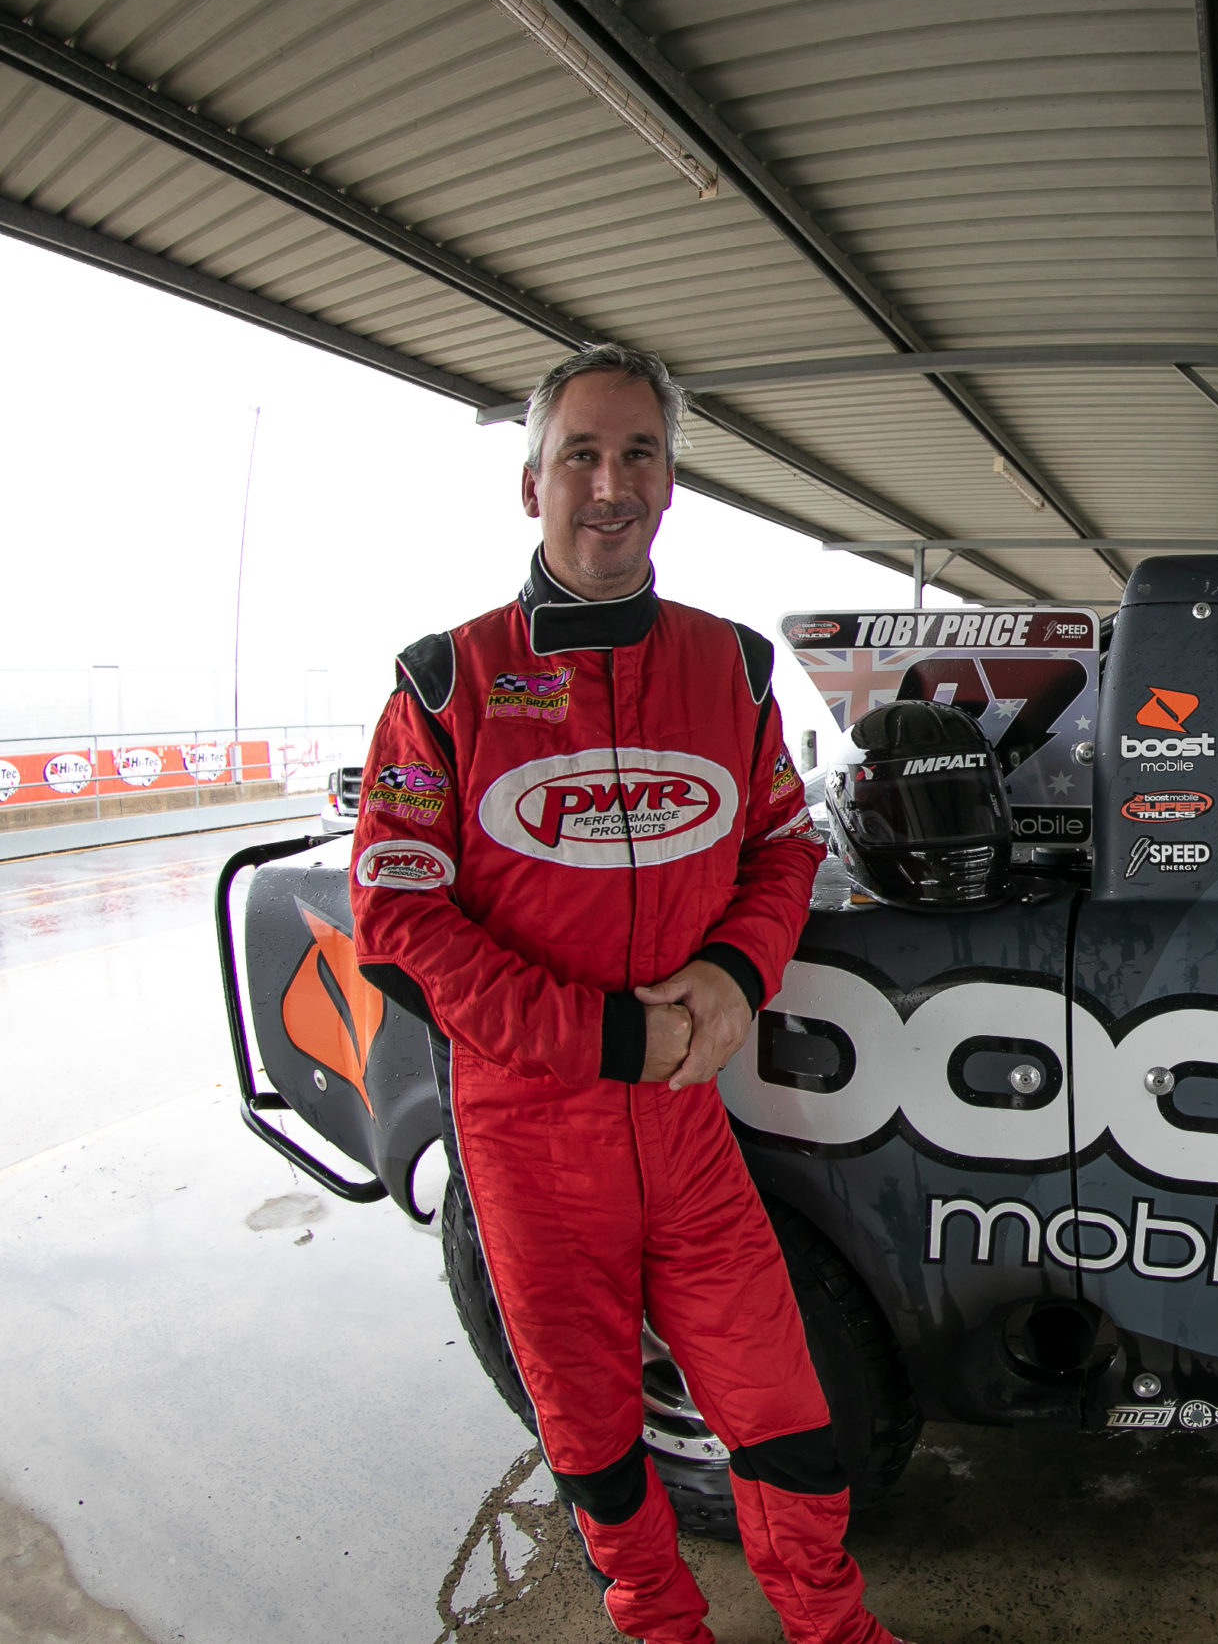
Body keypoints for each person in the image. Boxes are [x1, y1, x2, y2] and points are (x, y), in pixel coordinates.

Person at [350, 343, 903, 1644]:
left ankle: (835, 1632)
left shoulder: (730, 668)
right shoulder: (446, 683)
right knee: (596, 1443)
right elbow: (398, 917)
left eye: (639, 454)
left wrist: (731, 972)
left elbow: (783, 843)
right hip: (532, 1149)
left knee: (793, 1423)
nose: (611, 483)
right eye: (583, 455)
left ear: (670, 483)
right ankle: (660, 1625)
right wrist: (603, 1032)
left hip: (688, 1136)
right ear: (530, 481)